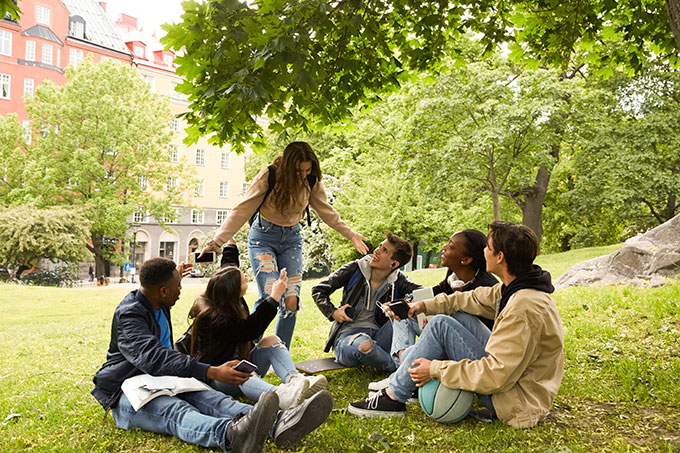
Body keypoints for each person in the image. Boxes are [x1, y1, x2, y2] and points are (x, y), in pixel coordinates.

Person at [91, 257, 333, 453]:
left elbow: (157, 282)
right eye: (177, 286)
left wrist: (174, 272)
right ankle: (231, 435)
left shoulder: (156, 300)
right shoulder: (130, 315)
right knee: (177, 412)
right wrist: (210, 370)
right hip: (127, 391)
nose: (180, 290)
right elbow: (153, 357)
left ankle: (280, 422)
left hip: (163, 380)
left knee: (216, 401)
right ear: (162, 290)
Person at [348, 221, 564, 429]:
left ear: (500, 256)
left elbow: (495, 376)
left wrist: (434, 369)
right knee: (459, 315)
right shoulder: (517, 287)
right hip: (516, 384)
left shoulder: (522, 308)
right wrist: (423, 305)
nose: (484, 252)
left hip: (518, 402)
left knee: (441, 325)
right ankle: (406, 380)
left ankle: (393, 397)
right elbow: (469, 299)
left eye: (488, 248)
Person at [201, 141, 369, 349]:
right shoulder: (269, 176)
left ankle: (281, 355)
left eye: (308, 170)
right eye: (299, 170)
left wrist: (350, 234)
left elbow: (326, 211)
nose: (304, 174)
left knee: (291, 301)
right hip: (263, 238)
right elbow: (242, 209)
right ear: (289, 166)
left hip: (291, 239)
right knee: (270, 294)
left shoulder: (311, 180)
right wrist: (218, 241)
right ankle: (246, 350)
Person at [184, 248, 327, 410]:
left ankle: (296, 382)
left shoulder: (229, 300)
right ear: (234, 289)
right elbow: (250, 330)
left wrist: (230, 246)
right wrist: (274, 298)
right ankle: (280, 396)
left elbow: (227, 269)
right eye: (244, 279)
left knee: (272, 341)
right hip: (220, 377)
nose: (247, 279)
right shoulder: (214, 318)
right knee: (242, 373)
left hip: (243, 364)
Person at [369, 229, 498, 391]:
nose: (444, 247)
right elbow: (438, 291)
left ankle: (405, 373)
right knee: (404, 312)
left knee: (432, 322)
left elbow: (465, 327)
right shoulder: (454, 275)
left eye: (450, 247)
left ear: (465, 260)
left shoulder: (485, 287)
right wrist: (410, 304)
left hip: (466, 349)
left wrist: (432, 314)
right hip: (444, 331)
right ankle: (403, 369)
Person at [312, 232, 421, 372]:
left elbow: (422, 293)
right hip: (348, 336)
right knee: (365, 345)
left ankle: (428, 354)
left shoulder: (398, 280)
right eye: (380, 246)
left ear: (394, 264)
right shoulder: (355, 269)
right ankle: (401, 368)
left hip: (381, 336)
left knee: (407, 316)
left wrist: (402, 304)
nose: (376, 251)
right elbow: (318, 290)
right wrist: (332, 312)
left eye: (384, 250)